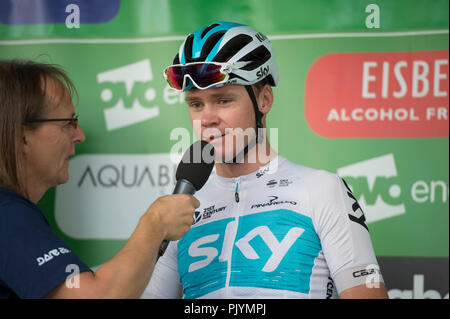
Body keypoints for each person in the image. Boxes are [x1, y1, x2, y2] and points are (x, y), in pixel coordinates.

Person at [143, 21, 388, 299]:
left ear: (264, 100)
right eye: (196, 104)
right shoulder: (179, 209)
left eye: (223, 100)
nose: (207, 118)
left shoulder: (323, 190)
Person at [0, 60, 199, 299]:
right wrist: (156, 222)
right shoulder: (7, 215)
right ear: (22, 136)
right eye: (68, 123)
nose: (80, 135)